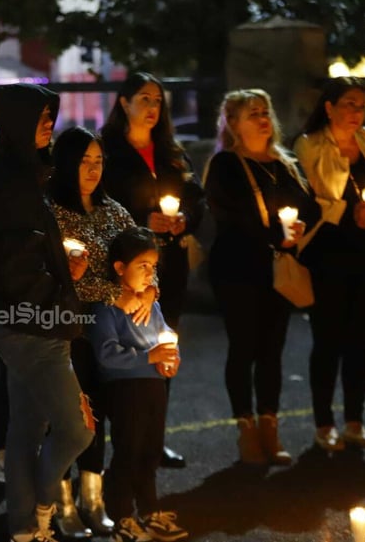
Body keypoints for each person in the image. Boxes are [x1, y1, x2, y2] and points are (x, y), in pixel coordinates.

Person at [0, 83, 95, 542]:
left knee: (26, 429)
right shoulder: (12, 182)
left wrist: (64, 266)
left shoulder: (19, 173)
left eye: (51, 115)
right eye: (42, 117)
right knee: (77, 429)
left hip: (23, 318)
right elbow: (17, 264)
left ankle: (25, 529)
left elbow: (24, 253)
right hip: (33, 322)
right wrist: (63, 291)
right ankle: (45, 504)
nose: (50, 124)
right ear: (19, 122)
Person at [203, 88, 314, 465]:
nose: (264, 119)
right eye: (253, 113)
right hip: (238, 269)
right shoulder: (225, 166)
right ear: (233, 123)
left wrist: (297, 229)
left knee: (272, 349)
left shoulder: (283, 163)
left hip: (277, 267)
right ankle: (246, 429)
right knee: (243, 346)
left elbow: (310, 207)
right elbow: (232, 217)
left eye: (265, 112)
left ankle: (270, 425)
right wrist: (276, 235)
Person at [100, 72, 206, 469]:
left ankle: (153, 439)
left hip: (169, 268)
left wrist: (185, 220)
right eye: (143, 98)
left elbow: (196, 199)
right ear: (123, 103)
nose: (151, 107)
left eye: (158, 101)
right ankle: (121, 442)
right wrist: (144, 220)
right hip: (125, 273)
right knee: (123, 355)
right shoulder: (108, 152)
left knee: (163, 351)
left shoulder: (171, 152)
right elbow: (104, 205)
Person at [293, 76, 365, 451]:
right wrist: (346, 211)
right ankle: (324, 424)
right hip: (329, 250)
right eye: (349, 104)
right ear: (329, 107)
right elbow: (309, 192)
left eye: (361, 105)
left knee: (362, 339)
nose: (356, 112)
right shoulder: (310, 144)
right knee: (328, 339)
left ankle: (355, 420)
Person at [49, 126, 140, 538]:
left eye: (98, 161)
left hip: (109, 331)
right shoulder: (51, 211)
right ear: (65, 164)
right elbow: (63, 279)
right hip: (67, 328)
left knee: (98, 414)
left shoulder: (114, 211)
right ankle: (62, 503)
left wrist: (146, 277)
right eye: (83, 161)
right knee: (69, 416)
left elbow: (139, 252)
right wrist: (112, 291)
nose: (92, 169)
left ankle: (94, 498)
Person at [87, 226, 187, 542]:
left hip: (154, 385)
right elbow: (106, 353)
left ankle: (150, 511)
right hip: (125, 388)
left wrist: (171, 358)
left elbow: (166, 334)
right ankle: (122, 517)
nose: (149, 274)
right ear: (119, 268)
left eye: (153, 267)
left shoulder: (152, 304)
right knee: (128, 450)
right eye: (142, 266)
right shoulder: (107, 308)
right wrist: (149, 357)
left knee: (151, 449)